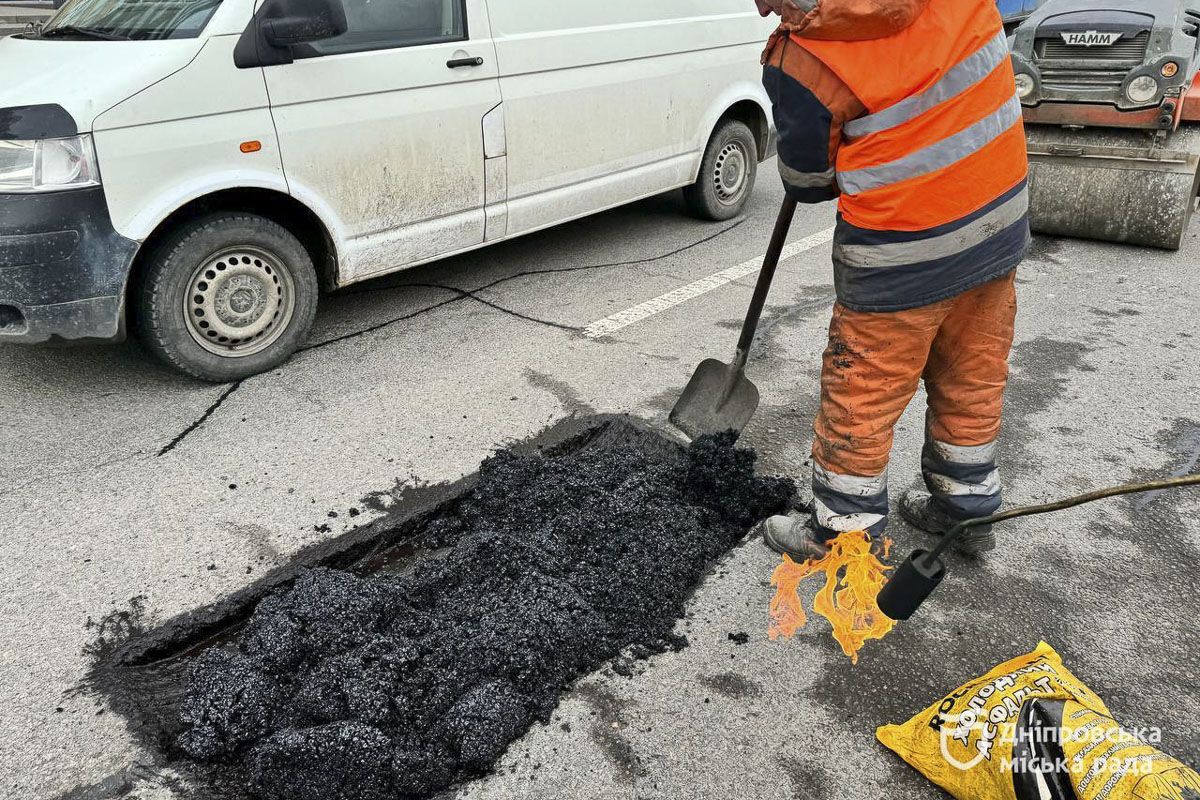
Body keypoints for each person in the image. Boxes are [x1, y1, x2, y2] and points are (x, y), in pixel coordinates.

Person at [750, 0, 1030, 559]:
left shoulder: (805, 58)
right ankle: (964, 518)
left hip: (902, 255)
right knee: (971, 375)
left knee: (863, 395)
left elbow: (808, 179)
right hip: (995, 227)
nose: (762, 9)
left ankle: (844, 541)